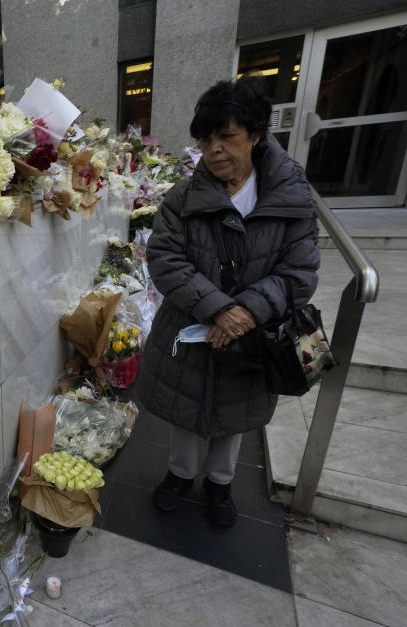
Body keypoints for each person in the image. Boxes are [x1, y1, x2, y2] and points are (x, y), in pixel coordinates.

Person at [136, 78, 320, 528]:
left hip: (254, 331)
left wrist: (247, 311)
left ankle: (220, 482)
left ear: (255, 135)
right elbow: (164, 257)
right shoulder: (184, 198)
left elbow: (300, 272)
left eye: (227, 136)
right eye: (206, 139)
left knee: (235, 413)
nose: (214, 149)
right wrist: (219, 308)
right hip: (194, 322)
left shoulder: (291, 197)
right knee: (185, 404)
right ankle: (180, 474)